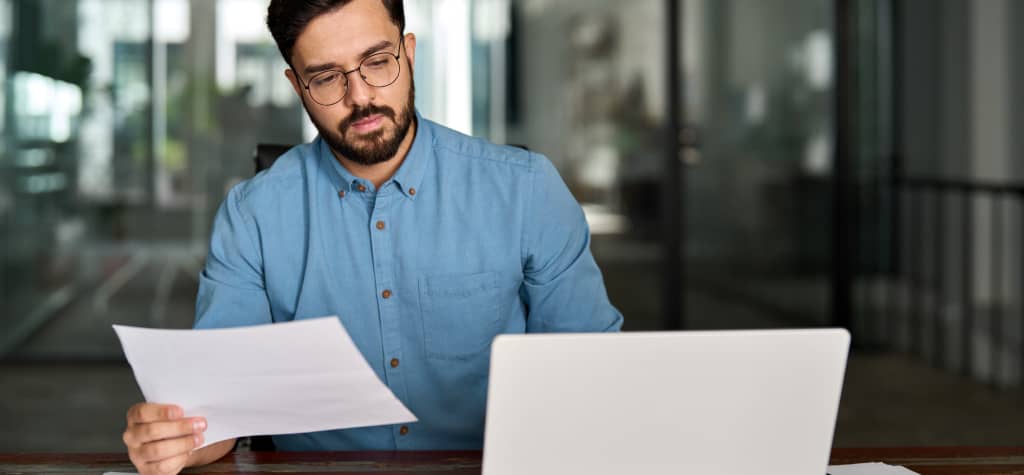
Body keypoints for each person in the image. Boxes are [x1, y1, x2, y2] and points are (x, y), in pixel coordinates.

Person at [121, 0, 622, 473]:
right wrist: (175, 441)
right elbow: (216, 414)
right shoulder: (252, 215)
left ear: (409, 51)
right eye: (326, 78)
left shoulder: (525, 191)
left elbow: (590, 380)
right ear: (297, 86)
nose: (361, 96)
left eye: (377, 62)